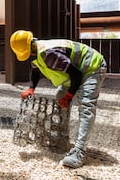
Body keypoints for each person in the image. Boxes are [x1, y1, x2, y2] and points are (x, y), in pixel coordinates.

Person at [10, 30, 107, 168]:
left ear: (31, 45)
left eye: (27, 54)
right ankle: (61, 138)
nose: (28, 58)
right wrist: (31, 89)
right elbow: (36, 70)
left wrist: (69, 96)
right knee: (59, 98)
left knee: (86, 106)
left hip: (91, 67)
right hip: (75, 71)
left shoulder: (48, 54)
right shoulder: (35, 53)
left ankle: (79, 151)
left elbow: (76, 74)